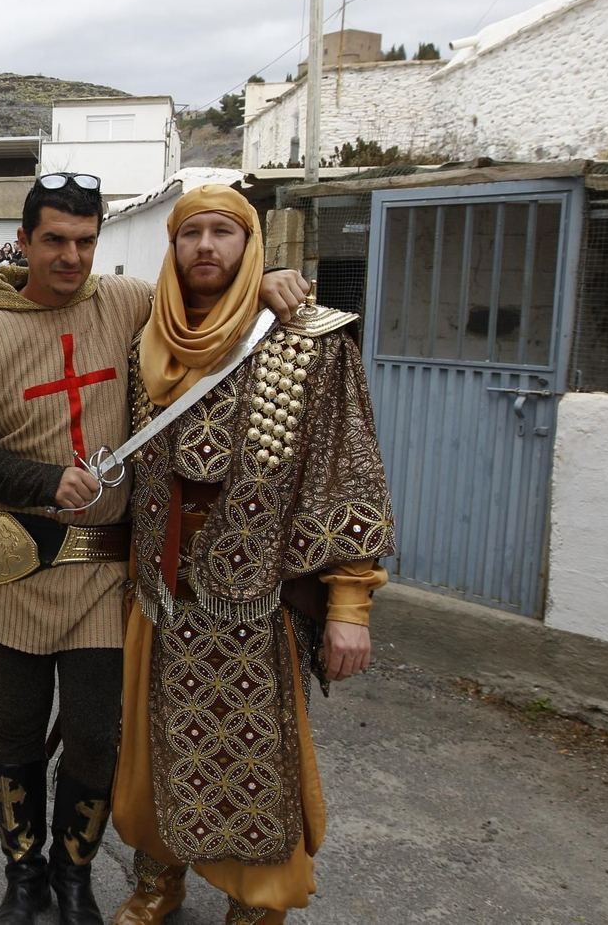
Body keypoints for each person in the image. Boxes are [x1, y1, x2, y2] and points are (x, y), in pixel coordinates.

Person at [0, 174, 309, 925]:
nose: (70, 256)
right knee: (17, 733)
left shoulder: (126, 301)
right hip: (20, 565)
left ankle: (75, 877)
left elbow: (199, 297)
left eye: (84, 240)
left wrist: (263, 278)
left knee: (97, 738)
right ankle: (24, 873)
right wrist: (45, 480)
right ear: (25, 241)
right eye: (54, 241)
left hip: (108, 570)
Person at [109, 186, 392, 925]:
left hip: (256, 602)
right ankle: (157, 880)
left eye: (225, 234)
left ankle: (257, 899)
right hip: (161, 596)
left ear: (253, 245)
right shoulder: (148, 336)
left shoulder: (311, 339)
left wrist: (350, 608)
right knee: (150, 753)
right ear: (170, 248)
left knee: (252, 761)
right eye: (191, 233)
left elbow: (348, 475)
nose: (207, 247)